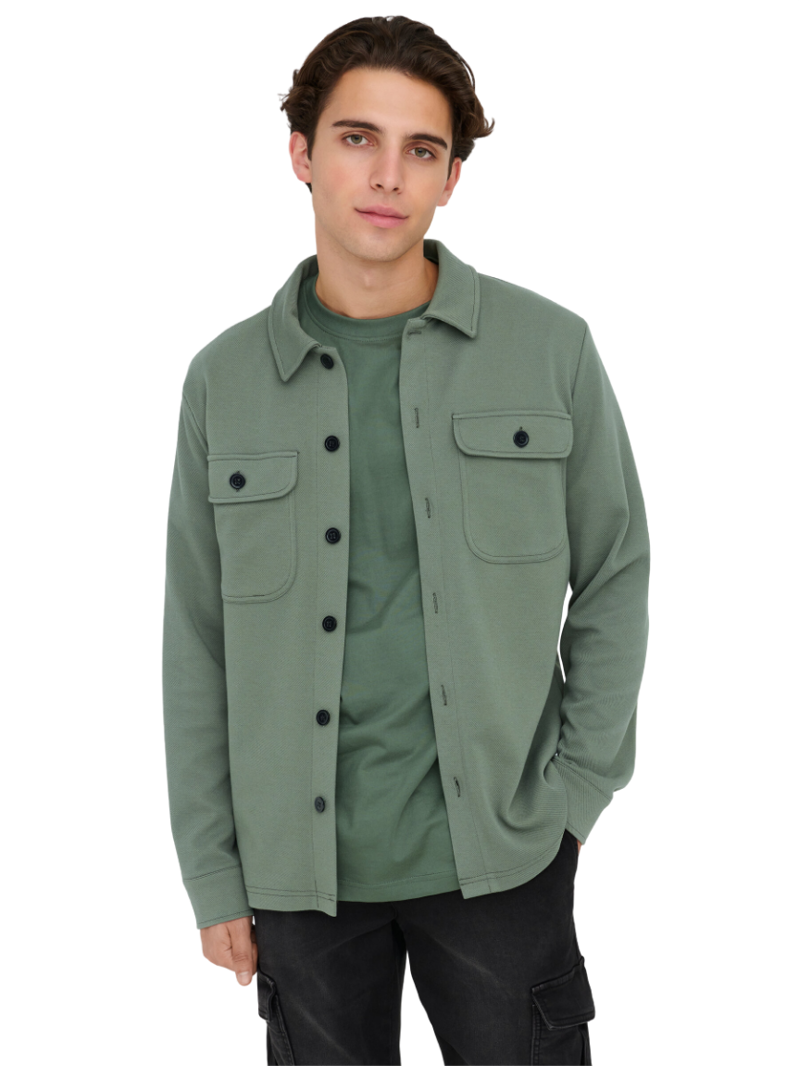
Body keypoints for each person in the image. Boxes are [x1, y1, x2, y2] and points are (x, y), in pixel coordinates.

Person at [161, 13, 649, 1065]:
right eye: (357, 139)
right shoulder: (223, 382)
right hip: (298, 879)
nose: (387, 175)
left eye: (421, 150)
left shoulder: (551, 352)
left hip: (503, 860)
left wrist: (572, 800)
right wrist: (213, 874)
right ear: (300, 154)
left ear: (453, 181)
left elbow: (612, 578)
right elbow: (197, 641)